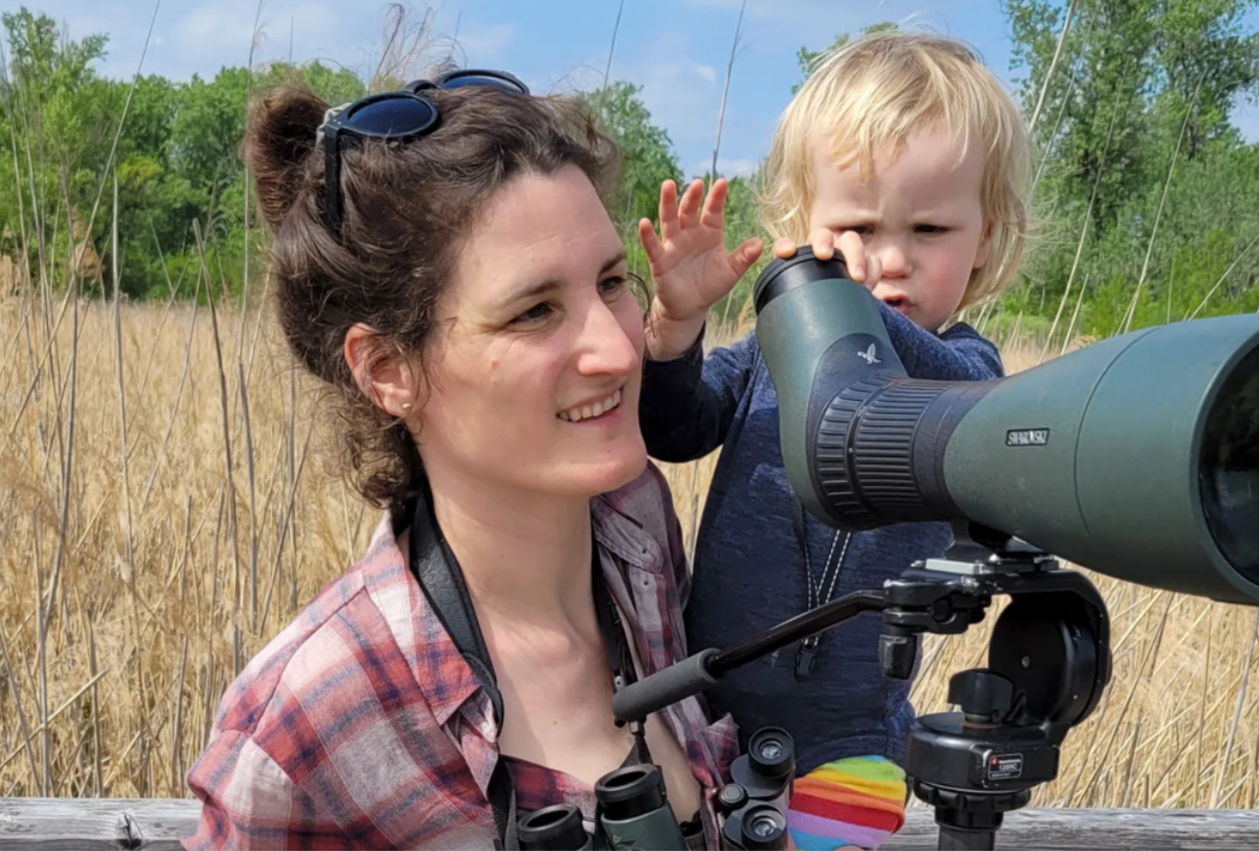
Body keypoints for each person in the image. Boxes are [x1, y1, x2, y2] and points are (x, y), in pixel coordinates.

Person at [184, 70, 739, 849]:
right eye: (534, 310)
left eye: (612, 282)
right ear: (388, 370)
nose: (617, 348)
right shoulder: (308, 726)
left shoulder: (635, 533)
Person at [637, 30, 1033, 851]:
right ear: (800, 227)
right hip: (702, 709)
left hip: (854, 736)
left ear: (986, 238)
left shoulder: (965, 368)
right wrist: (676, 327)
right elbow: (673, 431)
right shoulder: (766, 355)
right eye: (856, 226)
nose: (889, 261)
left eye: (929, 231)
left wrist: (855, 316)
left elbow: (971, 417)